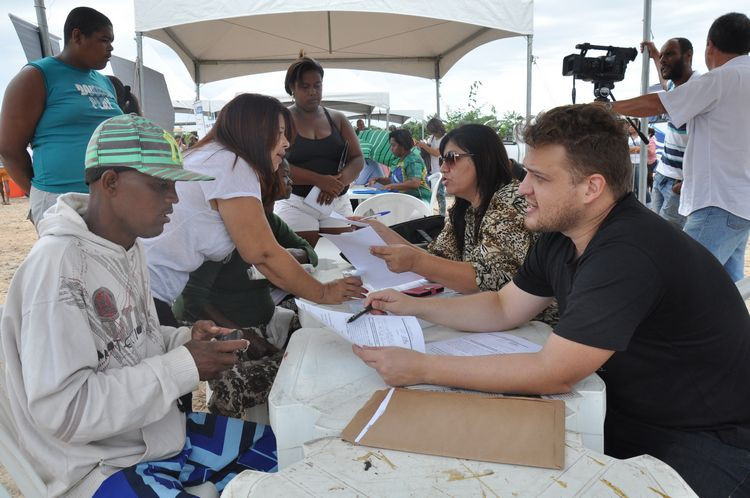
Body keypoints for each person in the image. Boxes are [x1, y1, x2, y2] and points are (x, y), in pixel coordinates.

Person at [353, 104, 750, 497]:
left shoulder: (628, 251)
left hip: (707, 439)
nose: (523, 187)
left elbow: (554, 371)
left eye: (539, 178)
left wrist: (422, 368)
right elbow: (503, 306)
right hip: (626, 411)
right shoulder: (562, 237)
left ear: (591, 187)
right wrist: (413, 306)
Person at [0, 114, 279, 496]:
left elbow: (127, 340)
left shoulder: (127, 246)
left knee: (281, 451)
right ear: (111, 182)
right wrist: (184, 365)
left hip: (155, 436)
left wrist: (182, 340)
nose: (175, 199)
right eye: (160, 185)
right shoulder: (58, 268)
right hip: (96, 468)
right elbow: (64, 412)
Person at [141, 93, 366, 329]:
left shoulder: (211, 156)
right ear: (253, 131)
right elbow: (263, 254)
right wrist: (323, 293)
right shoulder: (232, 163)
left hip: (146, 287)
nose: (287, 143)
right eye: (279, 133)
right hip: (150, 293)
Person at [610, 12, 750, 282]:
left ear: (709, 46)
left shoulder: (720, 79)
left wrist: (608, 107)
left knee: (680, 282)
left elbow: (662, 102)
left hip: (717, 202)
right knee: (727, 284)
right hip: (740, 202)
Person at [175, 162, 317, 417]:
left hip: (265, 318)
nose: (290, 177)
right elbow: (192, 300)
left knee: (315, 340)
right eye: (282, 171)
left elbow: (310, 254)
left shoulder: (270, 221)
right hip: (223, 326)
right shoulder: (224, 229)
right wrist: (242, 335)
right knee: (239, 380)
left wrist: (280, 255)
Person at [366, 124, 541, 295]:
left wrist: (415, 262)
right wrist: (381, 231)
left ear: (483, 158)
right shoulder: (465, 208)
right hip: (494, 314)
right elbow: (438, 259)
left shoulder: (510, 199)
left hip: (536, 322)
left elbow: (491, 279)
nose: (443, 168)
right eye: (442, 160)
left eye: (452, 157)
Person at [0, 7, 121, 226]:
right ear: (77, 36)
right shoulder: (36, 76)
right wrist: (39, 192)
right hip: (59, 200)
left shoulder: (105, 83)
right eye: (104, 40)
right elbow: (9, 149)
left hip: (108, 198)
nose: (110, 48)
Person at [273, 55, 364, 246]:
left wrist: (337, 183)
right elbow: (275, 162)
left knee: (345, 259)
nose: (312, 92)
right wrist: (319, 180)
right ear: (292, 88)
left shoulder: (338, 118)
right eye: (305, 87)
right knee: (301, 261)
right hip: (295, 203)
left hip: (336, 201)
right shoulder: (281, 119)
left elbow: (357, 158)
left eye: (317, 86)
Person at [640, 37, 697, 228]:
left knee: (669, 240)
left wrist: (609, 107)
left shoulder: (698, 86)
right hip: (663, 174)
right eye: (663, 55)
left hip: (679, 181)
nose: (664, 59)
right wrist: (655, 54)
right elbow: (664, 82)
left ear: (688, 56)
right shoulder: (675, 85)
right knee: (656, 232)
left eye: (670, 54)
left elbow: (654, 103)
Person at [366, 129, 430, 202]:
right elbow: (393, 181)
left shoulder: (413, 160)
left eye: (393, 145)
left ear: (403, 145)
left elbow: (415, 183)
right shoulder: (399, 161)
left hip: (418, 201)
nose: (391, 149)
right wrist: (377, 179)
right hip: (404, 200)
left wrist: (391, 186)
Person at [417, 117, 447, 215]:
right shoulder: (432, 138)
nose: (433, 133)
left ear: (438, 129)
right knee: (431, 193)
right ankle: (431, 212)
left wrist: (423, 145)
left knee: (440, 194)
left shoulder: (445, 138)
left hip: (442, 170)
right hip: (432, 169)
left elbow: (436, 153)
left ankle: (442, 215)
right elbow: (429, 150)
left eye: (433, 131)